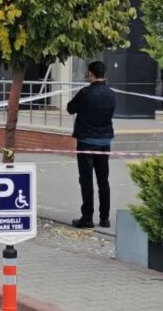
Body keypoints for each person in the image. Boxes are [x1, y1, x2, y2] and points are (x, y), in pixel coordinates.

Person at [66, 61, 115, 229]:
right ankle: (105, 218)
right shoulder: (111, 94)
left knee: (86, 180)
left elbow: (70, 108)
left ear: (91, 74)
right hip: (104, 142)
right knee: (103, 180)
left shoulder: (85, 93)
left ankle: (87, 217)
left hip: (86, 141)